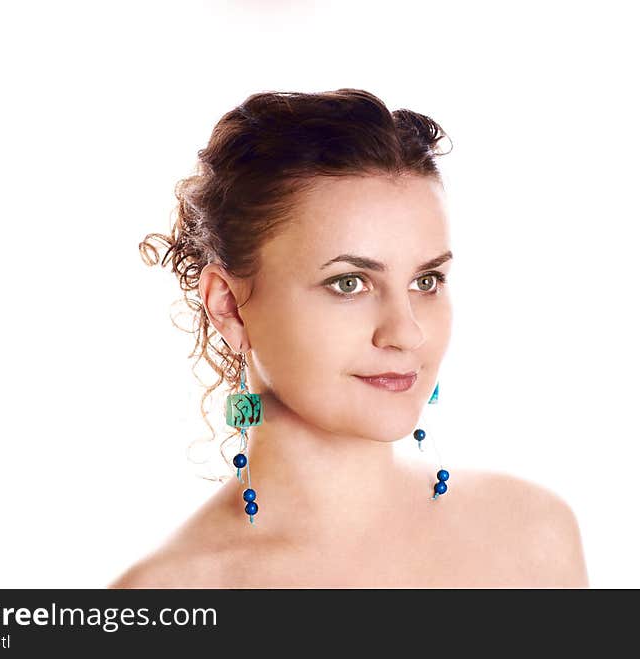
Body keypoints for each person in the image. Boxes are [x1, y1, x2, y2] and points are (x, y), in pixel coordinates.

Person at [109, 88, 589, 588]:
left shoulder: (532, 533)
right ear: (228, 306)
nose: (406, 332)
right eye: (349, 283)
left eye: (427, 281)